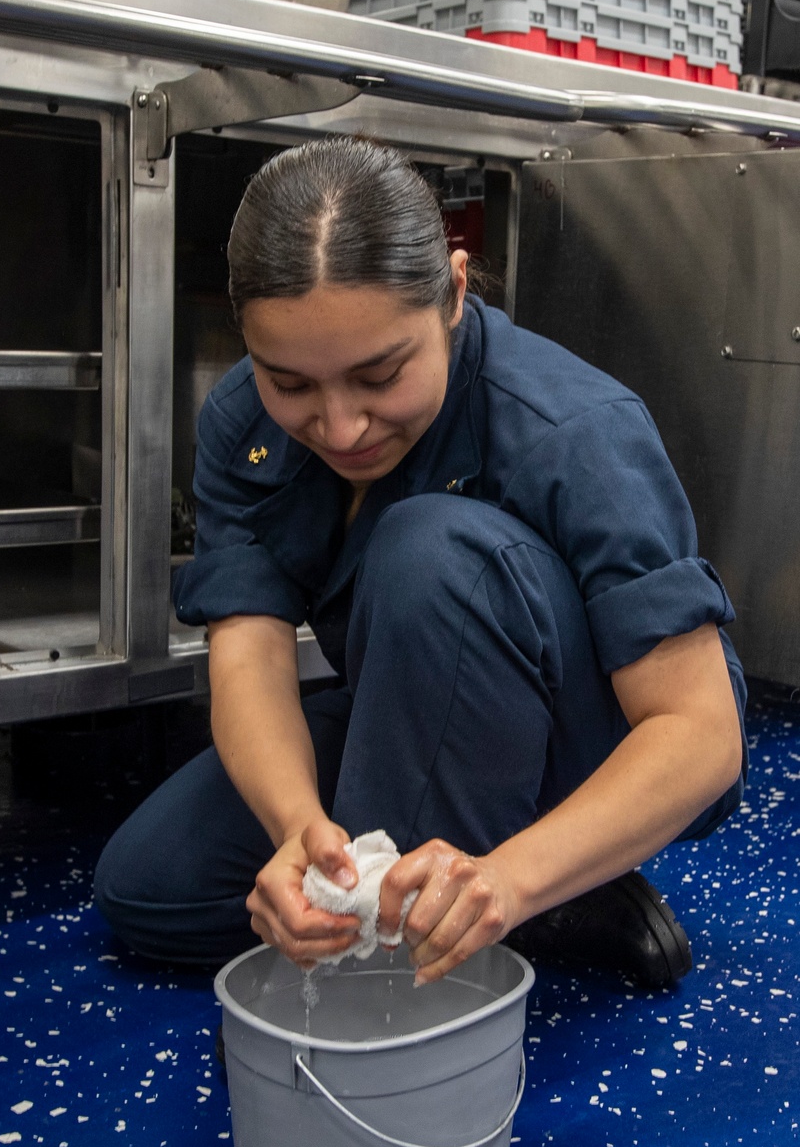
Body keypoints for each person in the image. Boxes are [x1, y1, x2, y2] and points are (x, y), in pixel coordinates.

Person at [95, 136, 746, 990]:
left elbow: (702, 739)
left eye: (380, 375)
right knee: (154, 889)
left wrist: (508, 880)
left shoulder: (574, 429)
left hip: (601, 737)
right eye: (289, 383)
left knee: (433, 550)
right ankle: (542, 905)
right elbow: (248, 653)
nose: (340, 427)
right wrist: (300, 833)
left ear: (455, 292)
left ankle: (502, 902)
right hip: (415, 704)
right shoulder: (241, 425)